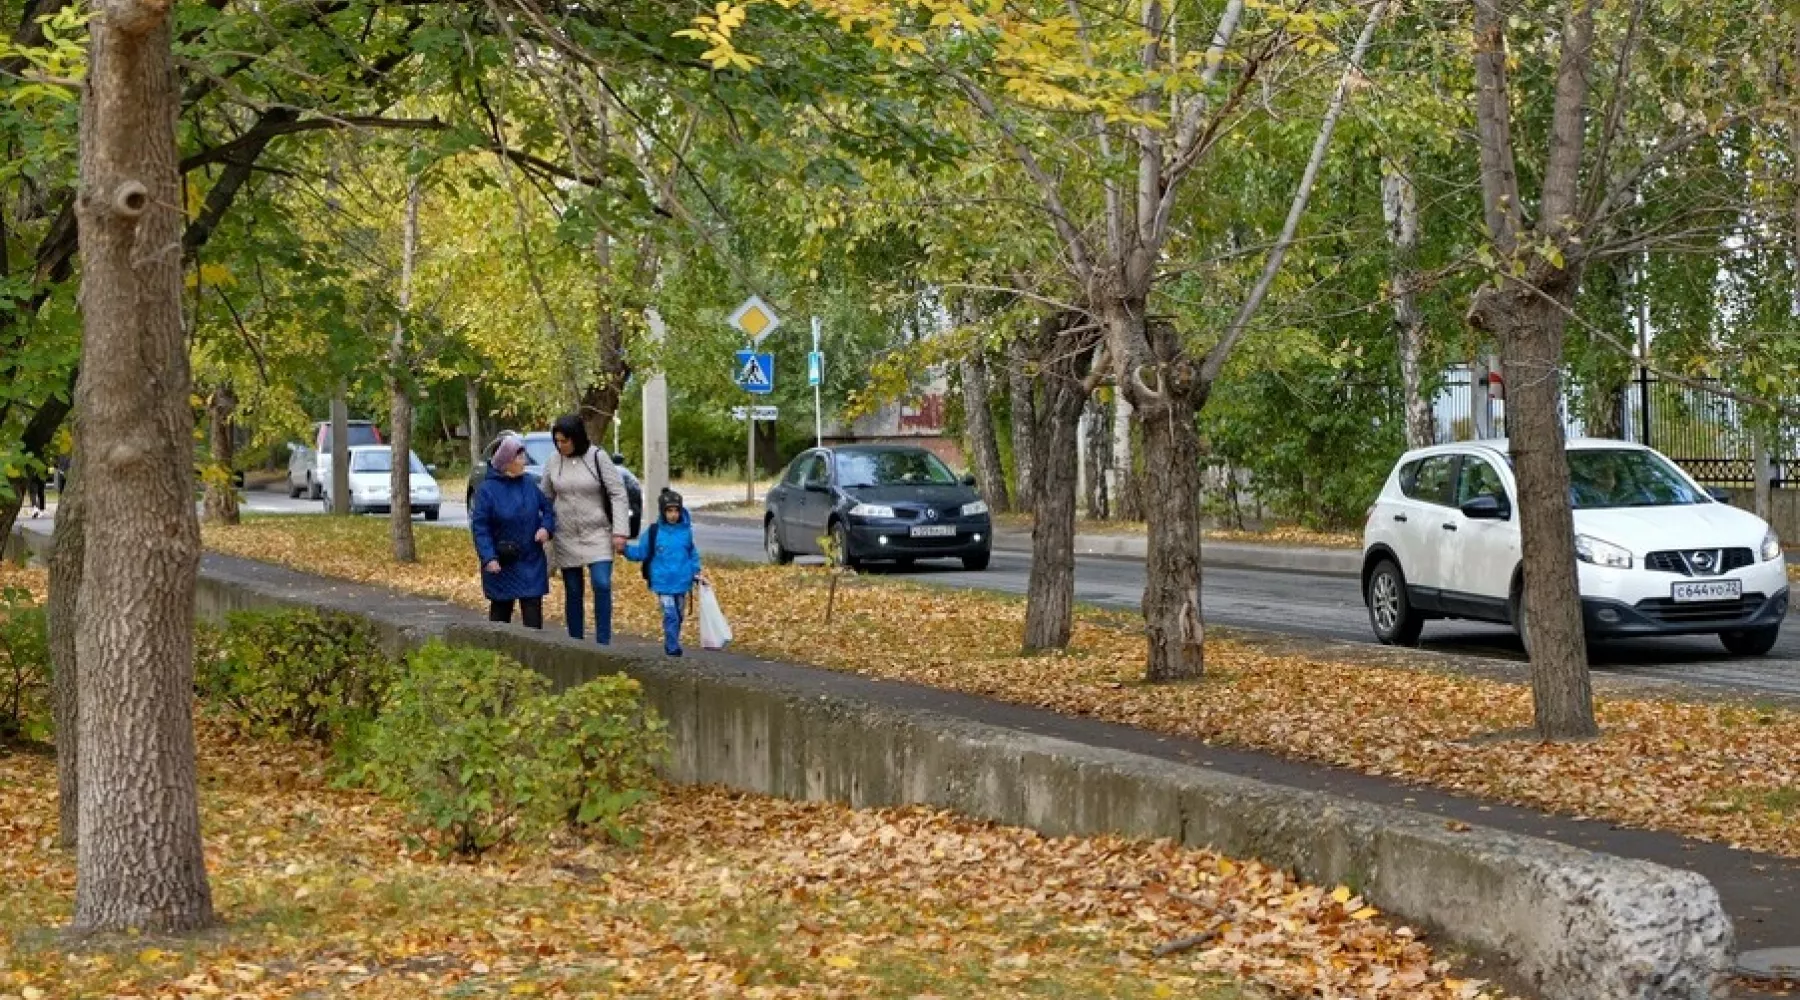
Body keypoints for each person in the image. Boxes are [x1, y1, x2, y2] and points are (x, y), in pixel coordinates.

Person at [541, 414, 631, 644]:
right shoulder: (553, 461)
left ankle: (603, 642)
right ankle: (576, 642)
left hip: (598, 532)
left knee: (601, 583)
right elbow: (545, 497)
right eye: (557, 441)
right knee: (573, 590)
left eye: (565, 441)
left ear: (577, 438)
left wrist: (620, 531)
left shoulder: (598, 458)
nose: (561, 446)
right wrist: (544, 527)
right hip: (566, 534)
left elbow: (618, 493)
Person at [470, 434, 556, 629]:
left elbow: (548, 510)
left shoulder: (528, 484)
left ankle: (533, 658)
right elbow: (480, 528)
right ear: (507, 462)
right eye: (519, 458)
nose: (524, 461)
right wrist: (488, 557)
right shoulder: (487, 490)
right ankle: (497, 657)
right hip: (503, 562)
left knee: (533, 617)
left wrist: (546, 528)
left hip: (530, 560)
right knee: (501, 617)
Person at [624, 488, 709, 656]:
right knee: (670, 614)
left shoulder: (685, 532)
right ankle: (672, 647)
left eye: (676, 510)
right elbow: (641, 552)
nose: (673, 514)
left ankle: (673, 640)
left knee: (679, 614)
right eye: (669, 511)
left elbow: (692, 553)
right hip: (662, 582)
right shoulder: (654, 532)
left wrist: (696, 571)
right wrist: (624, 549)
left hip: (682, 581)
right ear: (663, 512)